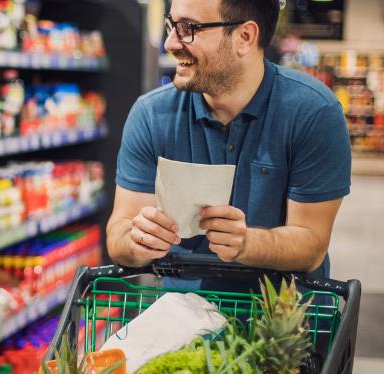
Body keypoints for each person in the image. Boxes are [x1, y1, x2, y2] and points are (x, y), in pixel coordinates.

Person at [106, 0, 351, 289]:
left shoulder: (312, 113)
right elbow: (118, 234)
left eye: (188, 28)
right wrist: (137, 241)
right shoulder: (151, 114)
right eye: (171, 26)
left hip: (286, 321)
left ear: (244, 37)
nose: (171, 42)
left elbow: (311, 245)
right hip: (182, 321)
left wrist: (246, 242)